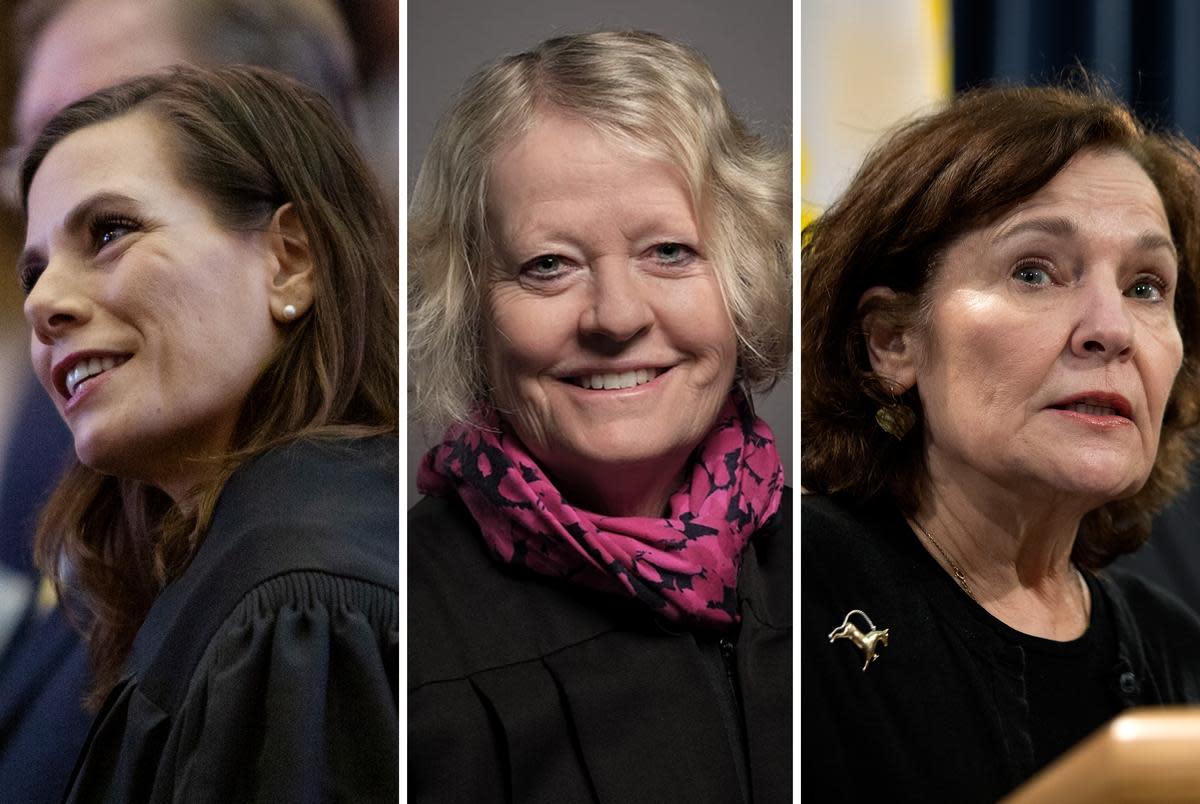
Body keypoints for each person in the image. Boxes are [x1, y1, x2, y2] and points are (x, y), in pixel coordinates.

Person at [408, 31, 791, 803]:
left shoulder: (843, 576)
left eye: (671, 253)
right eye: (548, 265)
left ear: (744, 272)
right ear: (468, 308)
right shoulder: (397, 625)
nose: (615, 317)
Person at [801, 81, 1200, 802]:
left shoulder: (1178, 649)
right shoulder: (789, 589)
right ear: (893, 342)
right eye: (1034, 272)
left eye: (1146, 287)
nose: (1110, 328)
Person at [19, 64, 398, 801]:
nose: (44, 304)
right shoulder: (243, 564)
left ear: (289, 262)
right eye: (33, 271)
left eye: (110, 231)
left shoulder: (302, 604)